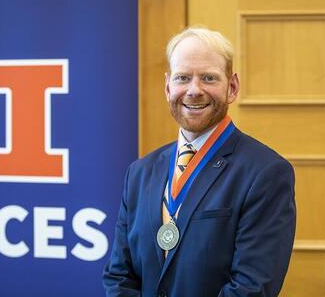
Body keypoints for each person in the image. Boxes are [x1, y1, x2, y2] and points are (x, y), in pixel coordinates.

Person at [103, 27, 296, 297]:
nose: (194, 90)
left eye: (208, 78)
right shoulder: (140, 173)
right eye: (183, 77)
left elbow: (252, 288)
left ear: (232, 87)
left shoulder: (266, 173)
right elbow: (119, 277)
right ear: (168, 87)